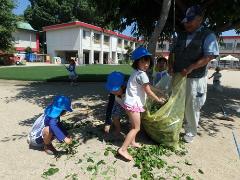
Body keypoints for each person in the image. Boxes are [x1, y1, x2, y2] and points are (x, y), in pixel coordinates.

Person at [169, 5, 219, 143]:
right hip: (178, 76)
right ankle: (174, 127)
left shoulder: (208, 35)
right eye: (186, 21)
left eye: (190, 20)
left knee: (192, 106)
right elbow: (172, 52)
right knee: (174, 102)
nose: (186, 24)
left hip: (195, 78)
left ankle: (190, 131)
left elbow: (209, 56)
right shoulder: (181, 34)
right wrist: (170, 65)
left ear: (200, 19)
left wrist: (191, 67)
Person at [117, 46, 165, 161]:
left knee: (133, 126)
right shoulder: (142, 74)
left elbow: (147, 86)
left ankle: (132, 142)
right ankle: (122, 149)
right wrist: (158, 99)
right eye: (142, 61)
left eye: (147, 60)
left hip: (129, 103)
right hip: (134, 105)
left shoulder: (136, 72)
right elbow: (148, 90)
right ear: (137, 62)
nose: (146, 64)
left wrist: (158, 91)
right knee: (136, 128)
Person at [104, 71, 127, 137]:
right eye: (111, 90)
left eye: (116, 90)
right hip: (119, 103)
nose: (113, 92)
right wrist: (107, 123)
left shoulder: (129, 92)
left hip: (130, 106)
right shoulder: (112, 93)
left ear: (123, 86)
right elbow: (110, 106)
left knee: (132, 120)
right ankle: (118, 129)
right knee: (115, 116)